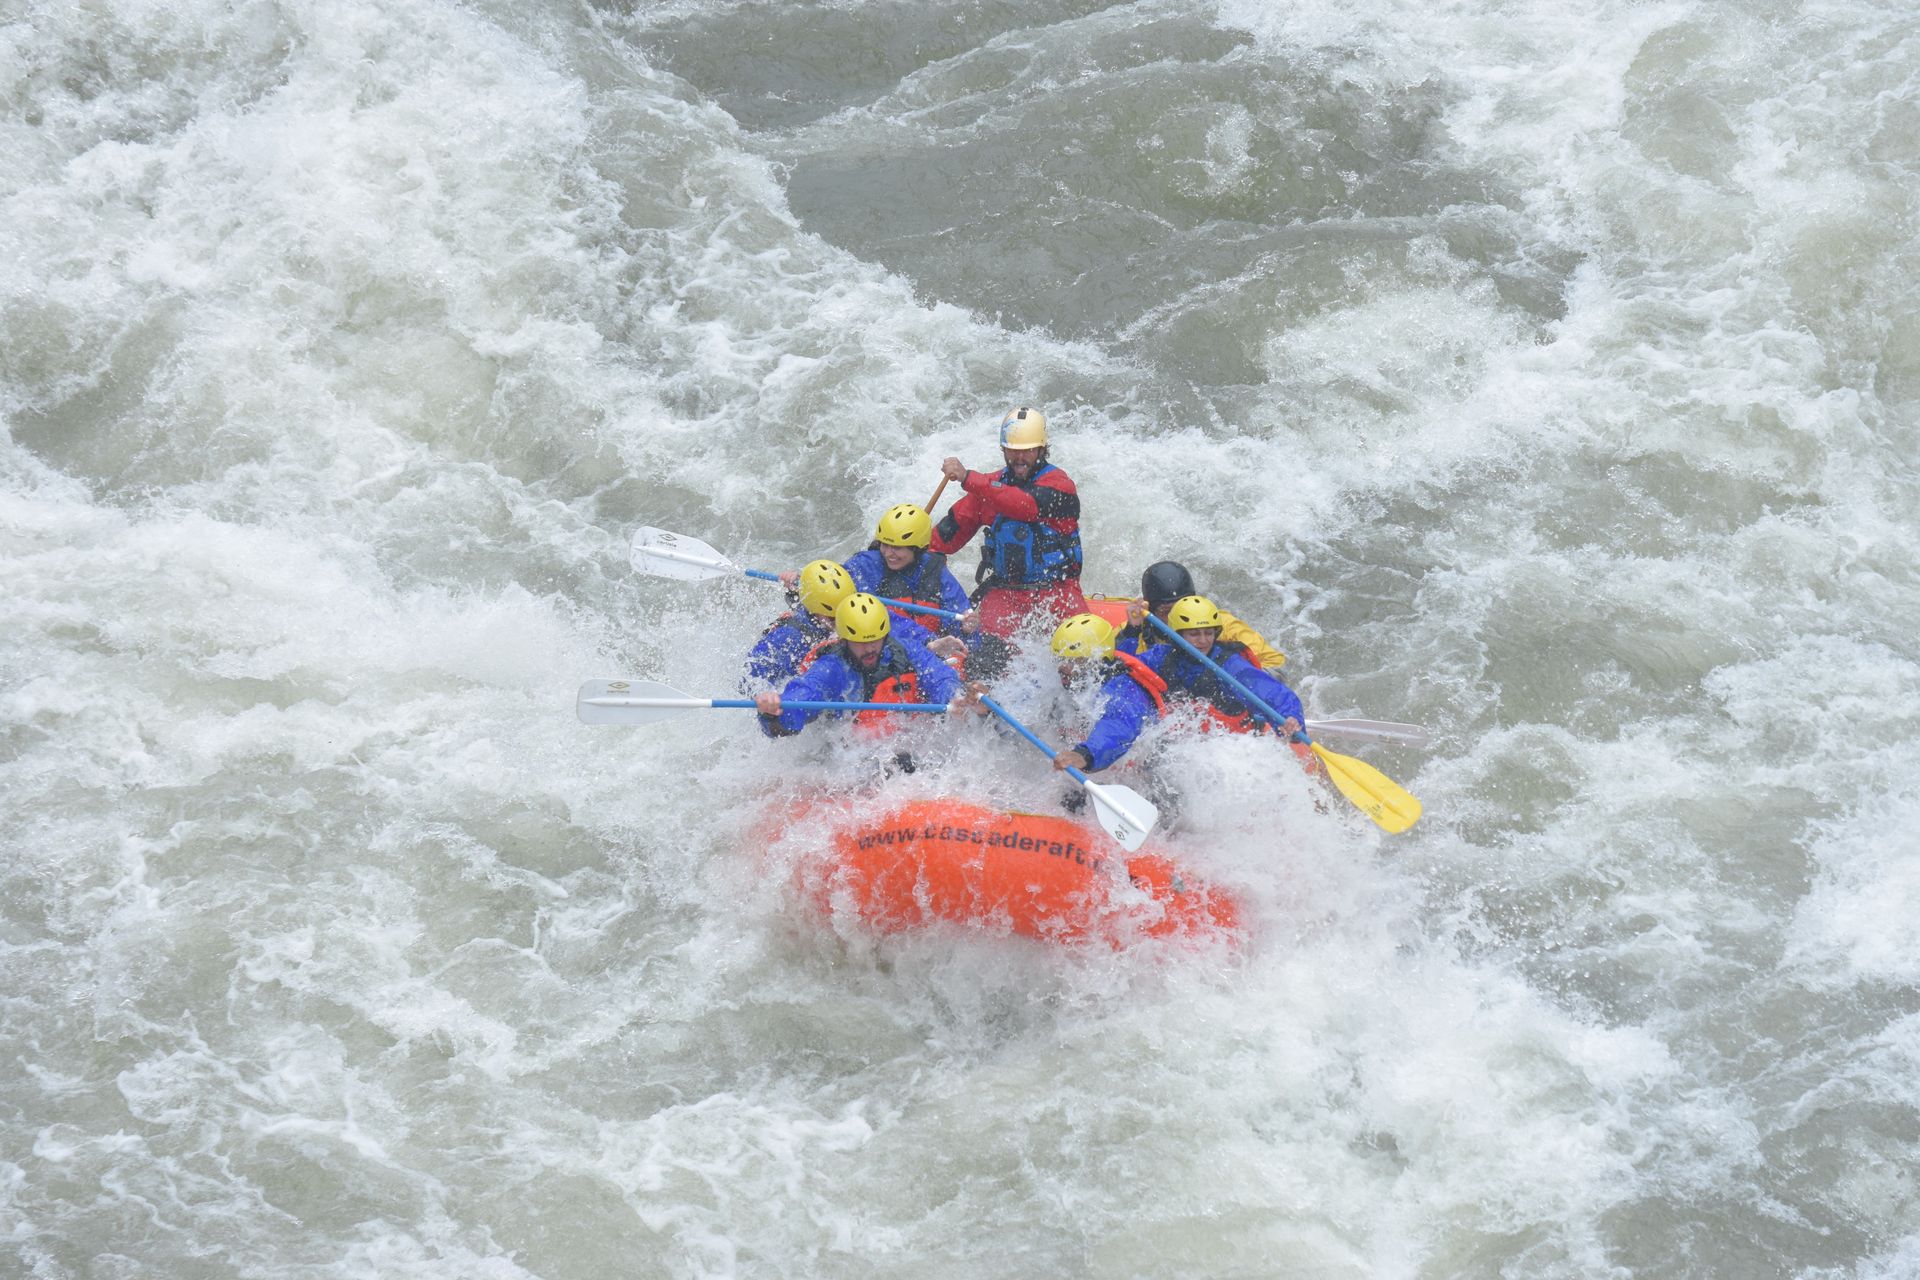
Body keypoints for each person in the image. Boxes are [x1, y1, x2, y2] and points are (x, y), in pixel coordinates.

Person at [1052, 596, 1305, 774]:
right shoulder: (1161, 657)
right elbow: (1124, 694)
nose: (1203, 641)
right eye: (1194, 634)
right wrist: (1131, 631)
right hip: (1190, 735)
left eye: (1208, 633)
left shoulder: (1230, 665)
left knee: (1164, 757)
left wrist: (1290, 718)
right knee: (1158, 748)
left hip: (1232, 742)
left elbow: (1272, 692)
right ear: (1177, 634)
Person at [929, 406, 1088, 639]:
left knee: (1081, 655)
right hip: (1005, 593)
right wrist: (903, 548)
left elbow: (1024, 505)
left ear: (1042, 449)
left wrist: (967, 478)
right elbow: (947, 534)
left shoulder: (1060, 486)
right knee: (984, 659)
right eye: (1012, 450)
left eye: (1027, 450)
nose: (1019, 458)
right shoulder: (988, 488)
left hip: (1057, 593)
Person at [754, 593, 984, 738]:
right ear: (843, 640)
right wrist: (775, 713)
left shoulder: (907, 650)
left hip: (906, 741)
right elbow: (804, 695)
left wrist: (954, 697)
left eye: (875, 640)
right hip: (854, 753)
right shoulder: (833, 668)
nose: (870, 649)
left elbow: (940, 677)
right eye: (861, 643)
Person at [839, 503, 977, 653]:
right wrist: (927, 641)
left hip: (928, 651)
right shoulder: (864, 566)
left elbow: (959, 624)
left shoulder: (936, 571)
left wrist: (965, 630)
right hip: (881, 651)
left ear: (917, 549)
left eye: (897, 547)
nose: (888, 553)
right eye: (884, 544)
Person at [1114, 560, 1287, 669]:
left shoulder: (1222, 624)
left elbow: (1274, 662)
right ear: (1150, 609)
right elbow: (1109, 669)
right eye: (1167, 612)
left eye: (1183, 607)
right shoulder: (1135, 629)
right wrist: (1131, 631)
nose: (1177, 619)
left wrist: (1244, 681)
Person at [743, 559, 854, 687]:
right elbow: (749, 680)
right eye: (832, 618)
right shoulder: (787, 638)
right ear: (814, 609)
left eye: (846, 613)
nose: (841, 622)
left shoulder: (816, 610)